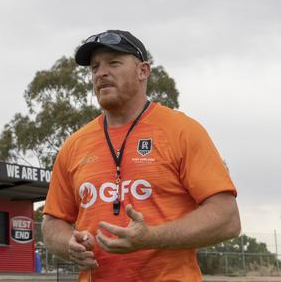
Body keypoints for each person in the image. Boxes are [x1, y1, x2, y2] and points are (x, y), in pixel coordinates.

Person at [42, 30, 241, 281]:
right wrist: (69, 242)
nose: (101, 72)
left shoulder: (182, 131)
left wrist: (151, 238)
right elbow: (52, 224)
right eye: (94, 67)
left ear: (143, 71)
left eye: (113, 62)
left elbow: (228, 219)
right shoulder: (74, 145)